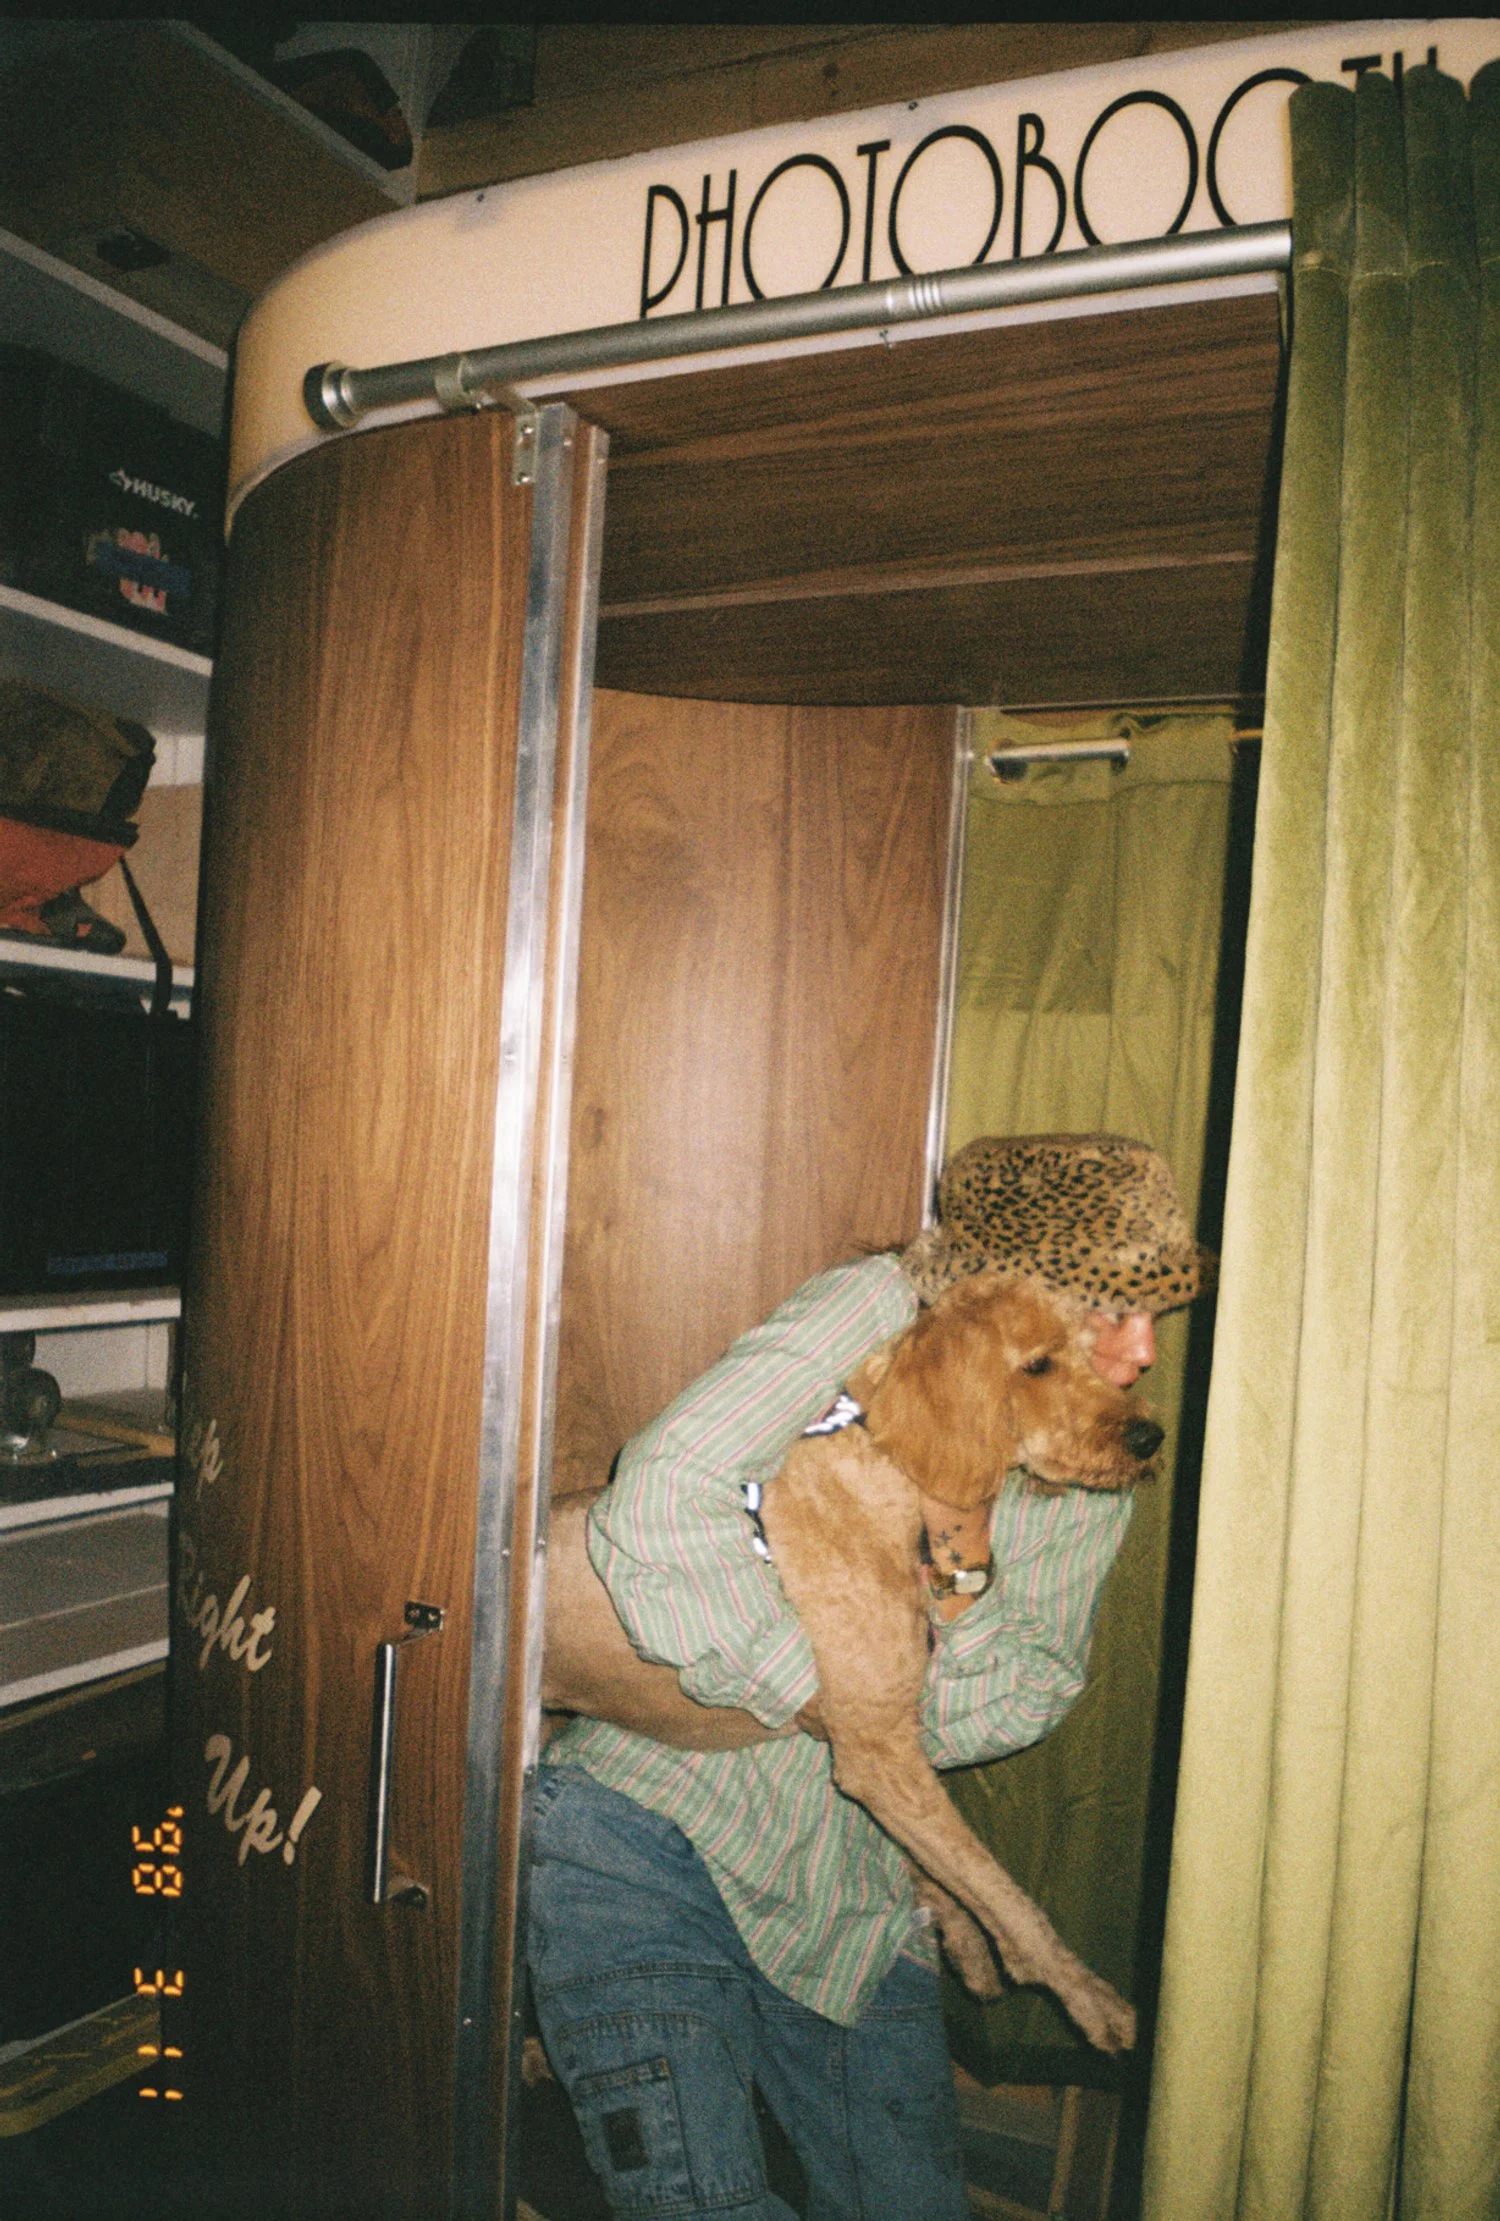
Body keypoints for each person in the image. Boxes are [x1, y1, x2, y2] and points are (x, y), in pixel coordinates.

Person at [529, 1133, 1211, 2221]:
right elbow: (654, 1506)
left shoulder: (1095, 1464)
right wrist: (821, 1692)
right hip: (643, 1836)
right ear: (1004, 1294)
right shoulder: (874, 1323)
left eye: (1155, 1315)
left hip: (849, 1906)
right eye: (1104, 1305)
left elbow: (1027, 1690)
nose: (1138, 1351)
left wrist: (961, 1558)